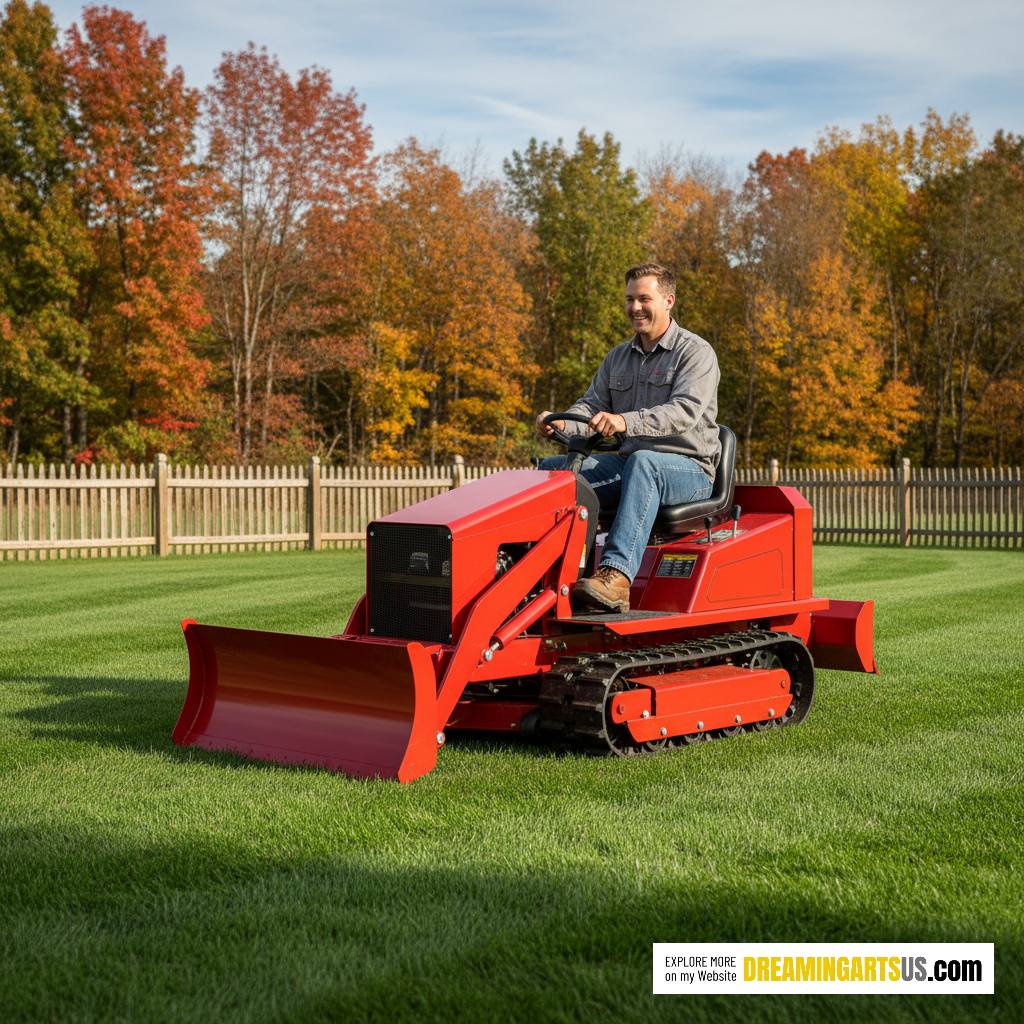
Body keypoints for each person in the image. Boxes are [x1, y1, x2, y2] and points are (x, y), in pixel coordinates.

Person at [536, 263, 720, 613]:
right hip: (630, 465)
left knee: (644, 463)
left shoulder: (695, 353)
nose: (635, 307)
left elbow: (683, 411)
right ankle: (539, 574)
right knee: (553, 473)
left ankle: (616, 577)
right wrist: (559, 423)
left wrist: (624, 422)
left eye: (644, 299)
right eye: (630, 299)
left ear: (668, 301)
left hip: (690, 470)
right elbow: (591, 406)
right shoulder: (618, 357)